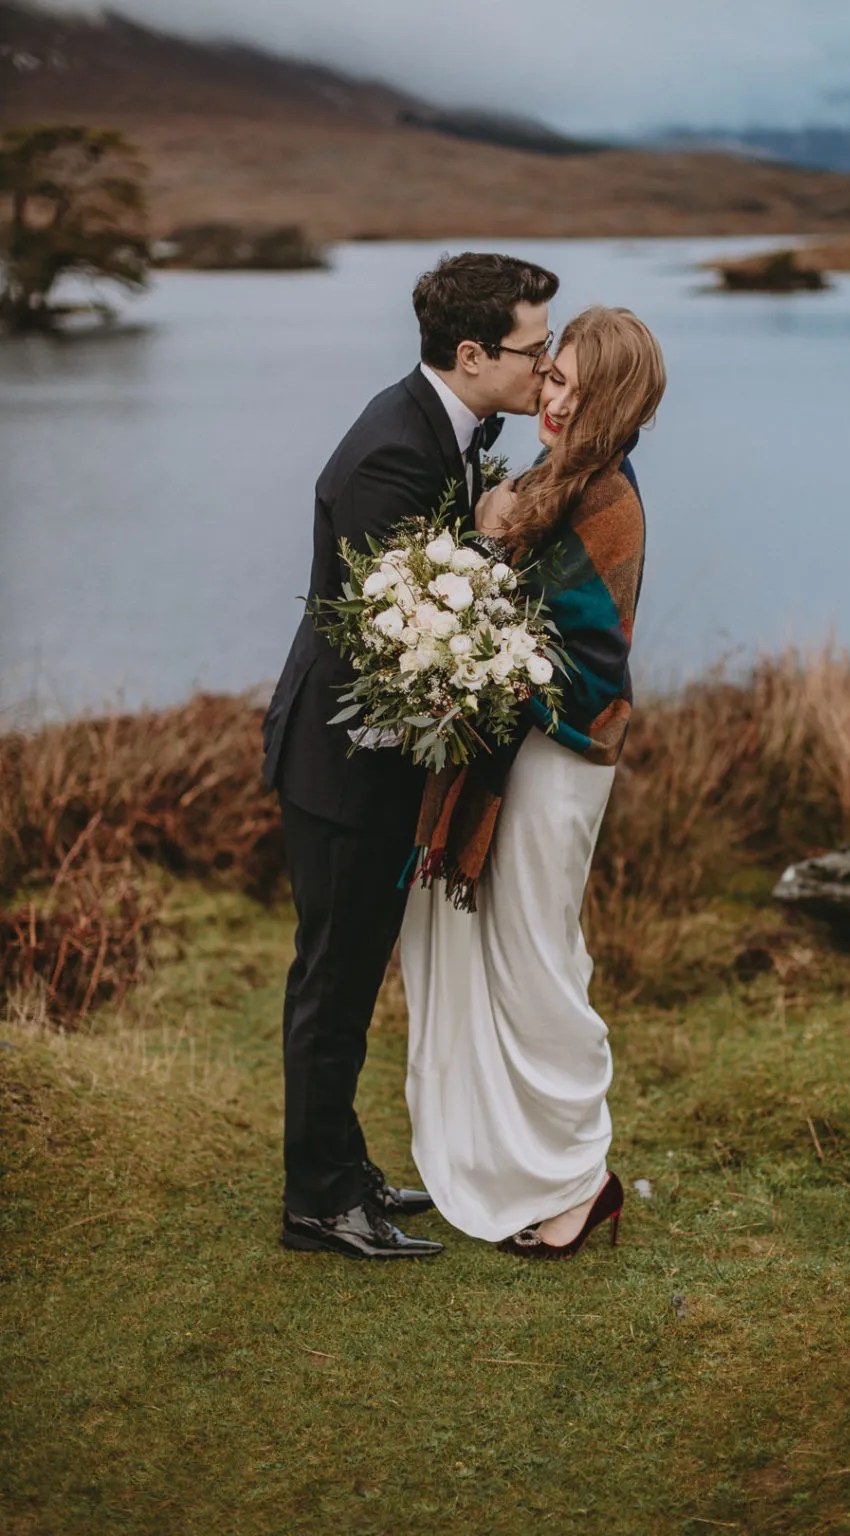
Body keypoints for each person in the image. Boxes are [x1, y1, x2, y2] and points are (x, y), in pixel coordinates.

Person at [261, 251, 560, 1259]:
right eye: (536, 348)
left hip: (378, 759)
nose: (548, 366)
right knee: (333, 982)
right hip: (344, 762)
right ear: (472, 354)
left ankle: (345, 1171)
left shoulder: (452, 426)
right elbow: (407, 621)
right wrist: (482, 549)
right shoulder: (394, 451)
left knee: (349, 972)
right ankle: (317, 1204)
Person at [401, 305, 666, 1258]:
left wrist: (496, 656)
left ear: (613, 399)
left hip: (561, 762)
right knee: (505, 953)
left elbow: (595, 663)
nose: (551, 399)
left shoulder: (609, 501)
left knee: (541, 960)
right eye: (551, 379)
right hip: (518, 750)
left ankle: (581, 1178)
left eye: (572, 389)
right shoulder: (551, 481)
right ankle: (516, 1162)